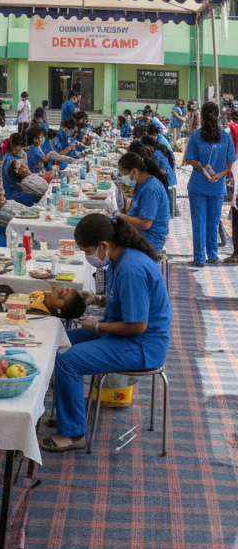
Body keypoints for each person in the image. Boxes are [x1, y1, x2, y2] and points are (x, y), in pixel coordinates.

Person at [41, 212, 172, 452]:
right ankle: (69, 413)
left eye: (87, 250)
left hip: (142, 345)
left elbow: (137, 326)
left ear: (103, 245)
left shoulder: (131, 268)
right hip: (124, 335)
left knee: (68, 361)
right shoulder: (119, 259)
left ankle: (73, 433)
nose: (87, 256)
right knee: (56, 342)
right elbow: (124, 304)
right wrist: (97, 299)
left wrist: (98, 326)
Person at [184, 100, 236, 267]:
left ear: (202, 116)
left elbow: (190, 159)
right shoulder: (225, 137)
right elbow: (230, 164)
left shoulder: (196, 135)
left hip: (197, 185)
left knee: (199, 221)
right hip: (217, 186)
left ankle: (199, 258)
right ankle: (212, 255)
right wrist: (217, 175)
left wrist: (203, 170)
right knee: (213, 221)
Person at [117, 152, 170, 255]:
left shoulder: (150, 190)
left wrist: (121, 217)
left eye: (124, 174)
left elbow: (145, 224)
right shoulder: (140, 184)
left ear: (134, 171)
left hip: (150, 239)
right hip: (141, 233)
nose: (123, 177)